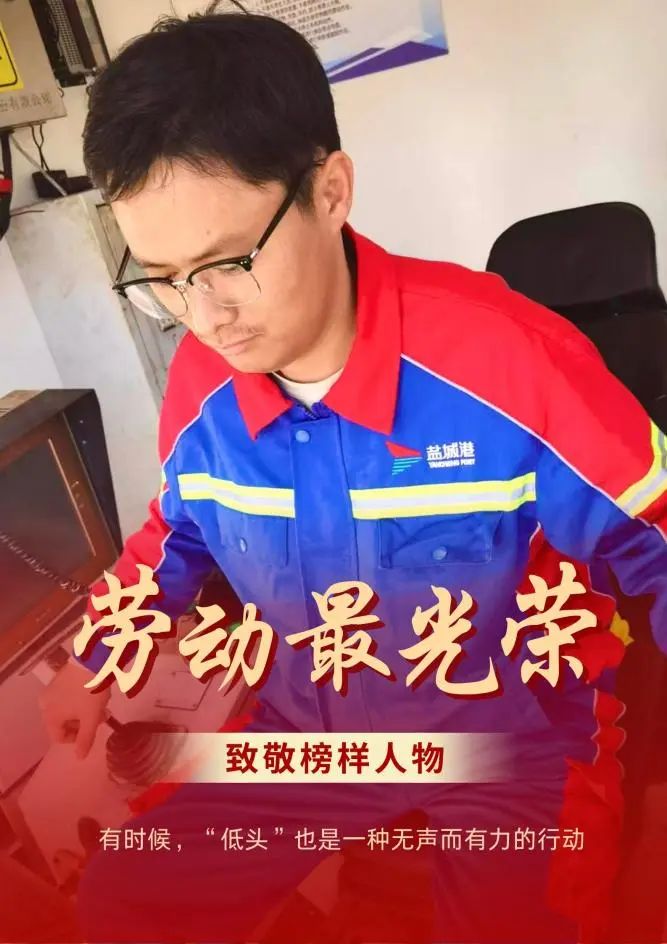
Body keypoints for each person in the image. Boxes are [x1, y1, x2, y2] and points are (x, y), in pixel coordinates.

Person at [38, 5, 667, 943]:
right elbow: (178, 532)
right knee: (127, 899)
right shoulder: (207, 385)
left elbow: (655, 537)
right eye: (163, 277)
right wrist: (95, 660)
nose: (202, 316)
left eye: (227, 262)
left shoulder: (508, 362)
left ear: (330, 190)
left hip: (512, 744)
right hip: (310, 732)